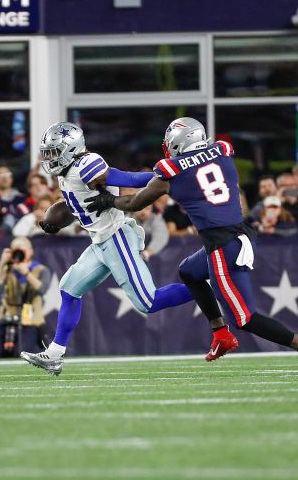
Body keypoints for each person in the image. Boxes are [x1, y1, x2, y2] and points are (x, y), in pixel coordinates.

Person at [84, 117, 298, 374]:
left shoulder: (172, 171)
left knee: (244, 318)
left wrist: (109, 200)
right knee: (190, 271)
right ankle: (220, 333)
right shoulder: (222, 152)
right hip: (239, 232)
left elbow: (134, 200)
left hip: (223, 245)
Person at [18, 122, 195, 376]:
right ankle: (55, 355)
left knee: (148, 301)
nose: (51, 158)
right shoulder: (66, 171)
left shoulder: (86, 164)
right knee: (69, 288)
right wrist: (52, 220)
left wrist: (170, 172)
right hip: (100, 241)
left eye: (55, 152)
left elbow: (128, 178)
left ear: (71, 148)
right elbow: (76, 205)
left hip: (117, 237)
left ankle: (209, 290)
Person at [0, 237, 49, 358]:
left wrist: (26, 273)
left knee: (23, 353)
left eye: (23, 248)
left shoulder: (40, 269)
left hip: (30, 319)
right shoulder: (7, 269)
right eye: (16, 248)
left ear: (31, 251)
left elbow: (42, 289)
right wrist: (2, 264)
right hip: (6, 316)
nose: (19, 251)